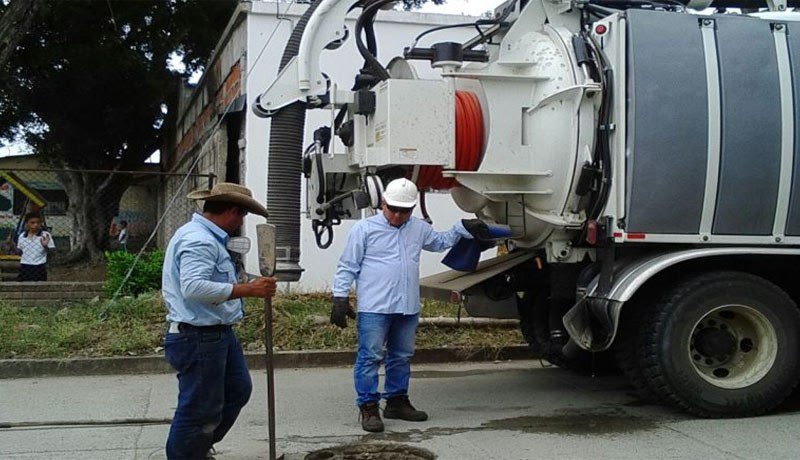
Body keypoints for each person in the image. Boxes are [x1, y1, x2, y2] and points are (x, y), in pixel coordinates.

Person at [331, 178, 474, 433]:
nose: (397, 215)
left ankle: (397, 400)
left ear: (412, 210)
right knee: (370, 356)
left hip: (407, 306)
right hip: (375, 306)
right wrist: (339, 297)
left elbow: (439, 242)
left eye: (404, 211)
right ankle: (368, 407)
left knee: (401, 356)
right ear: (383, 203)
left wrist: (462, 227)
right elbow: (347, 265)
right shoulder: (364, 229)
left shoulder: (417, 228)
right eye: (393, 209)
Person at [162, 182, 277, 460]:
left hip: (215, 334)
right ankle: (187, 454)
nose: (240, 222)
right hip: (199, 336)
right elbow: (193, 288)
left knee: (237, 390)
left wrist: (245, 285)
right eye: (242, 215)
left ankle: (197, 448)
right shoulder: (198, 240)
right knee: (199, 409)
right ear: (233, 212)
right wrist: (247, 290)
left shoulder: (206, 237)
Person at [15, 212, 55, 281]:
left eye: (38, 223)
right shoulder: (22, 236)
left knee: (40, 286)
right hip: (25, 265)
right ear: (27, 223)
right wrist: (12, 245)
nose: (36, 225)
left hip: (39, 265)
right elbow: (19, 252)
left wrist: (45, 246)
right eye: (32, 223)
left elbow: (52, 252)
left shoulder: (45, 235)